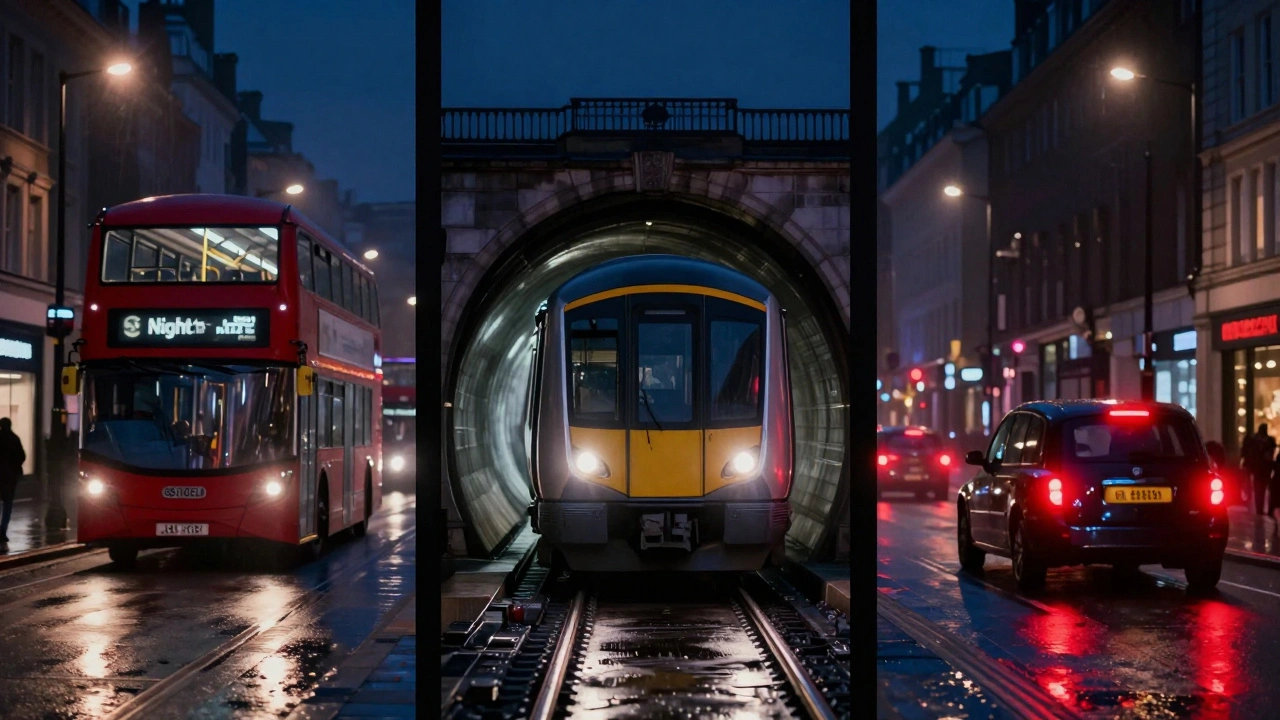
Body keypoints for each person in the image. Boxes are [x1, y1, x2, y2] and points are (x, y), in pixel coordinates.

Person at [1242, 424, 1278, 515]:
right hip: (1263, 469)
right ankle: (1262, 509)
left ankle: (1259, 509)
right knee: (1262, 488)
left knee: (1259, 489)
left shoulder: (1254, 440)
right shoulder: (1268, 441)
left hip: (1259, 468)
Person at [0, 418, 26, 543]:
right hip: (10, 477)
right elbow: (22, 456)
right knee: (7, 505)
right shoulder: (14, 439)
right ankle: (2, 531)